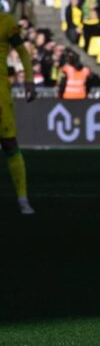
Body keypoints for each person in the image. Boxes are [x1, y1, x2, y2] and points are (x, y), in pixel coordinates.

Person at [0, 12, 37, 214]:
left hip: (0, 92)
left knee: (9, 142)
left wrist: (29, 80)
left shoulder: (6, 21)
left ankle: (22, 198)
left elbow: (22, 52)